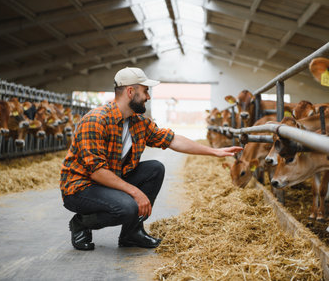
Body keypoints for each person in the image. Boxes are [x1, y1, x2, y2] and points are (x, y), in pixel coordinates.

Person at [60, 67, 243, 251]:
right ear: (130, 92)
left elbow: (174, 140)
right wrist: (136, 192)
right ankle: (81, 223)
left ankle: (131, 233)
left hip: (109, 180)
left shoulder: (138, 122)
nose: (148, 96)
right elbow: (97, 172)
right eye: (145, 91)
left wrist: (214, 152)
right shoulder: (96, 121)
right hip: (81, 188)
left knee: (155, 168)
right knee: (128, 207)